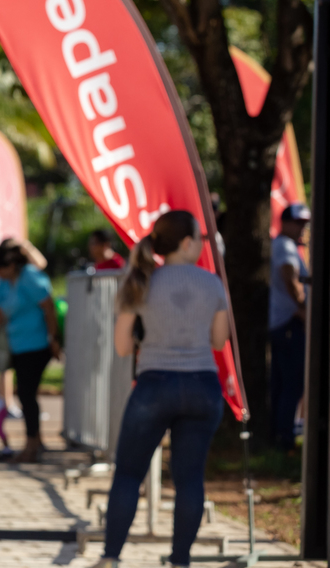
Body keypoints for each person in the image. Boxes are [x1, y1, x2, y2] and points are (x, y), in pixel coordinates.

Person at [98, 210, 229, 568]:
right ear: (187, 243)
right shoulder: (213, 284)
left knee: (128, 474)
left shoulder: (140, 282)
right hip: (202, 386)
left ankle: (111, 557)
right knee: (189, 479)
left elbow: (123, 347)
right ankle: (180, 560)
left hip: (154, 385)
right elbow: (219, 341)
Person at [0, 242, 61, 462]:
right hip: (17, 346)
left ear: (11, 264)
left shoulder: (31, 278)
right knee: (27, 396)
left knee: (27, 395)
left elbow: (49, 308)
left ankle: (31, 446)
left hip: (36, 346)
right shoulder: (5, 283)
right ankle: (35, 442)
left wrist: (53, 339)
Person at [268, 202, 310, 451]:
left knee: (283, 383)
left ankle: (279, 434)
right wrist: (306, 312)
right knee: (292, 383)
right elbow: (290, 278)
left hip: (284, 323)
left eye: (305, 224)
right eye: (298, 223)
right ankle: (283, 438)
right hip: (289, 324)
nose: (302, 228)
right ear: (284, 223)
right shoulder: (285, 246)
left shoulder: (285, 246)